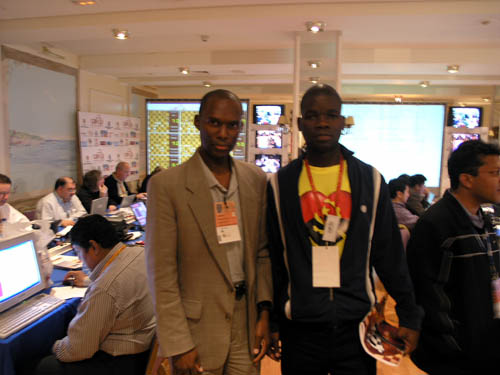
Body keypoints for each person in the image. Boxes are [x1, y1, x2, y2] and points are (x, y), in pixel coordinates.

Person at [266, 84, 423, 375]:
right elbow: (275, 259)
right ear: (300, 124)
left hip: (357, 328)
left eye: (331, 115)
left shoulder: (369, 180)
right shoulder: (280, 185)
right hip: (301, 329)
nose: (322, 122)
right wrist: (273, 322)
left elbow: (389, 256)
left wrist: (409, 313)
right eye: (312, 115)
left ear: (343, 122)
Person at [146, 89, 272, 375]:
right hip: (196, 329)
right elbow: (161, 274)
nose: (223, 133)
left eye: (232, 125)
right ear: (197, 122)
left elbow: (263, 253)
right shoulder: (167, 186)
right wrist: (177, 344)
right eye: (214, 123)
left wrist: (264, 311)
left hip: (246, 322)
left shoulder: (254, 179)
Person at [407, 140, 500, 374]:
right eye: (494, 173)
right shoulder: (436, 224)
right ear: (467, 179)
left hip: (486, 344)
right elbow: (426, 292)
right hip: (454, 353)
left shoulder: (487, 219)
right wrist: (454, 343)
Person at [35, 215, 156, 375]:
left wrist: (52, 346)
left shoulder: (104, 288)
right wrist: (88, 281)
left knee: (45, 365)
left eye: (79, 253)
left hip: (124, 361)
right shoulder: (139, 253)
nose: (81, 261)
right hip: (147, 344)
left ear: (93, 247)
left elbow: (77, 351)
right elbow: (121, 284)